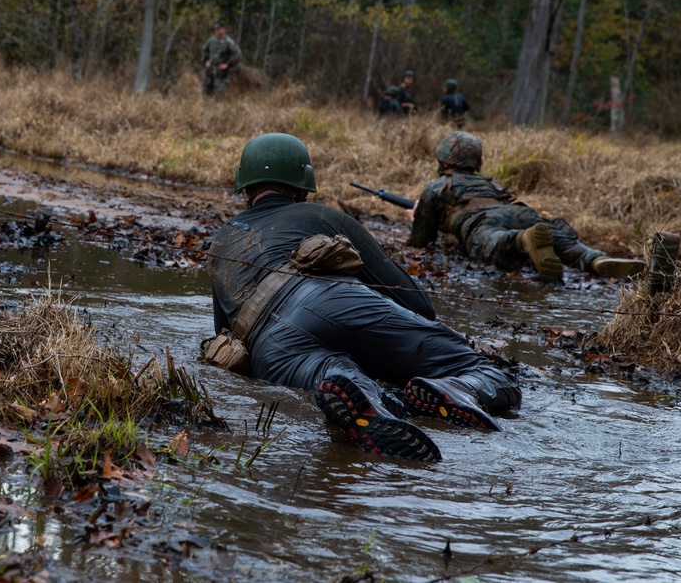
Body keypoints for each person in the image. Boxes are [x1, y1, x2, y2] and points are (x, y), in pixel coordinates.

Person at [206, 132, 522, 462]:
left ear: (245, 185)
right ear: (302, 187)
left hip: (271, 347)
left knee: (332, 373)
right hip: (333, 300)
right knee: (482, 371)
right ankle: (454, 389)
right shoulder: (321, 216)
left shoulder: (219, 243)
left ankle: (366, 393)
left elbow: (225, 339)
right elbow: (419, 305)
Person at [407, 131, 645, 282]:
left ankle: (522, 241)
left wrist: (416, 217)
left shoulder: (437, 187)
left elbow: (421, 240)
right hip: (521, 212)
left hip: (482, 222)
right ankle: (596, 259)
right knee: (567, 244)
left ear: (443, 159)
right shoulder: (489, 182)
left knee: (496, 241)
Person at [201, 20, 241, 98]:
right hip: (209, 73)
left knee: (219, 97)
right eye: (216, 29)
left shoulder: (229, 42)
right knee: (206, 95)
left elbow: (238, 55)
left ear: (224, 29)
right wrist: (206, 61)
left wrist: (228, 64)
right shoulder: (211, 41)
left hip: (221, 75)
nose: (217, 31)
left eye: (219, 29)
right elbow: (204, 51)